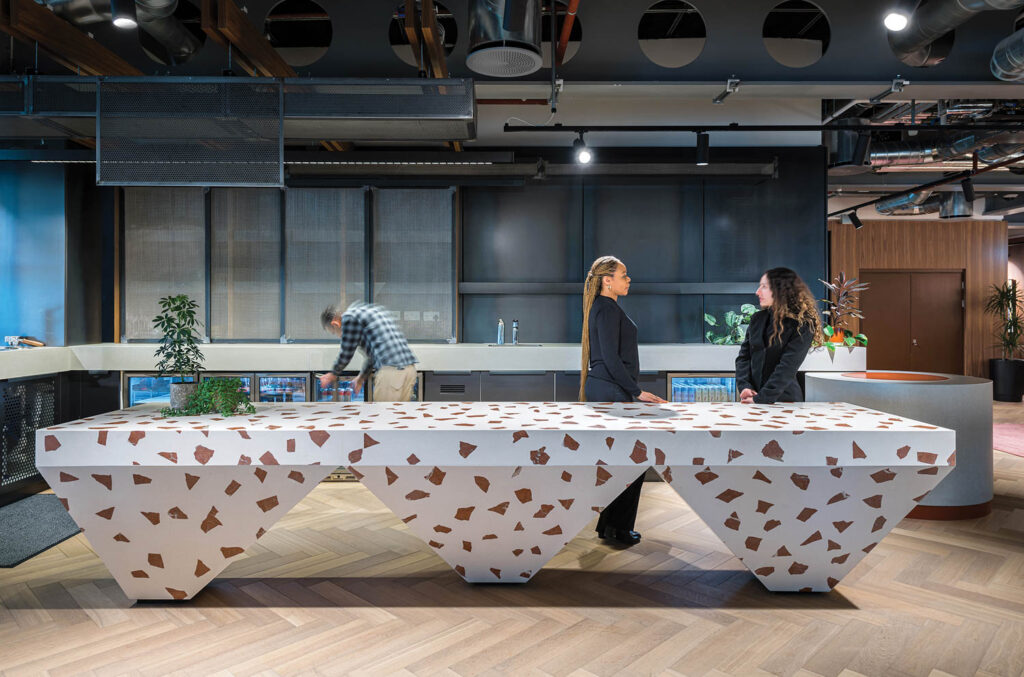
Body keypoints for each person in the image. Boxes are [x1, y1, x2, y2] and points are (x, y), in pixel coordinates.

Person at [579, 255, 666, 546]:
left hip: (610, 389)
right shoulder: (606, 309)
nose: (628, 280)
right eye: (623, 274)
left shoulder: (606, 308)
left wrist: (631, 390)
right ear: (607, 280)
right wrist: (636, 391)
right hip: (611, 391)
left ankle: (611, 526)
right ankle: (618, 527)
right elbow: (611, 359)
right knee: (632, 460)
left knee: (623, 461)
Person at [735, 267, 822, 405]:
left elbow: (787, 368)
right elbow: (743, 358)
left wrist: (761, 398)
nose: (757, 292)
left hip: (785, 402)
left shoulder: (803, 324)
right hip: (752, 400)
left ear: (780, 290)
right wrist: (744, 386)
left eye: (764, 287)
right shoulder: (757, 319)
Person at [320, 302, 418, 402]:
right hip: (409, 370)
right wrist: (361, 378)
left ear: (335, 324)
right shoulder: (363, 314)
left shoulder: (348, 319)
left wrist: (332, 374)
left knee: (384, 414)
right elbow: (371, 357)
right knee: (398, 415)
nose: (339, 336)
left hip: (391, 372)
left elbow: (346, 352)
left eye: (334, 332)